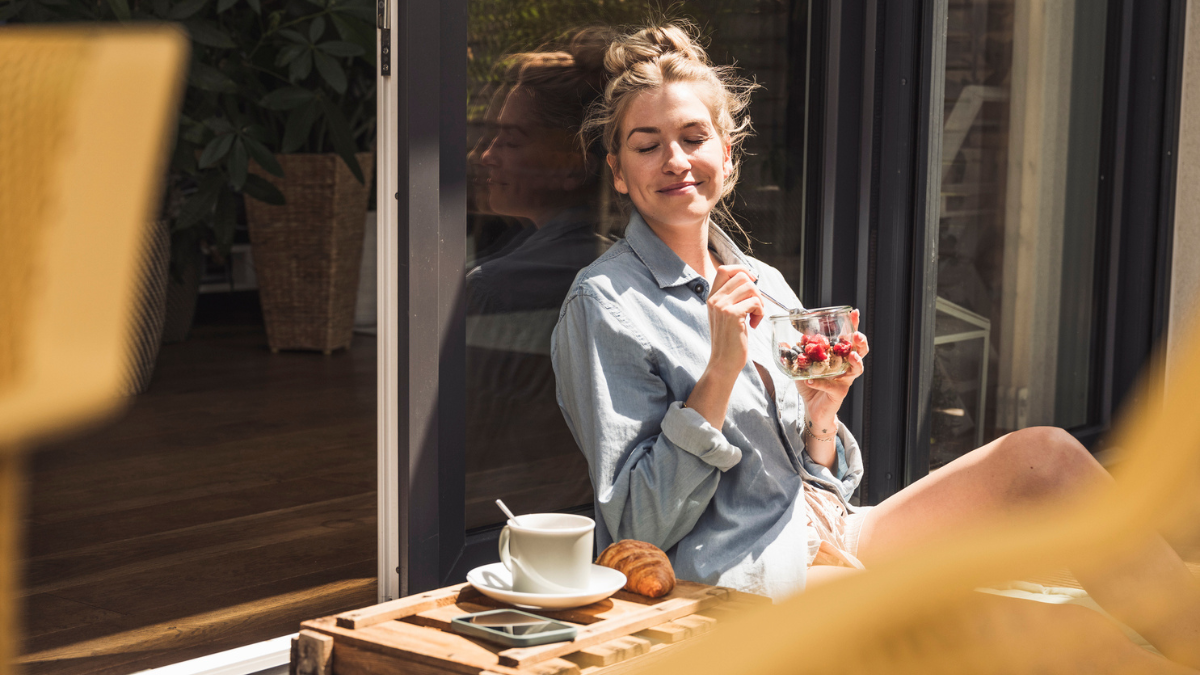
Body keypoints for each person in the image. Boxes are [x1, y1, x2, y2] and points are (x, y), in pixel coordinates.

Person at [551, 22, 1200, 668]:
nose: (674, 160)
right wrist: (720, 373)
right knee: (1043, 629)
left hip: (827, 529)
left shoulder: (763, 284)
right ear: (618, 171)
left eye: (694, 137)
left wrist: (822, 420)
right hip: (733, 569)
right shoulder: (604, 302)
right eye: (647, 145)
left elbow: (815, 477)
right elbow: (638, 529)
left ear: (727, 153)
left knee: (1046, 456)